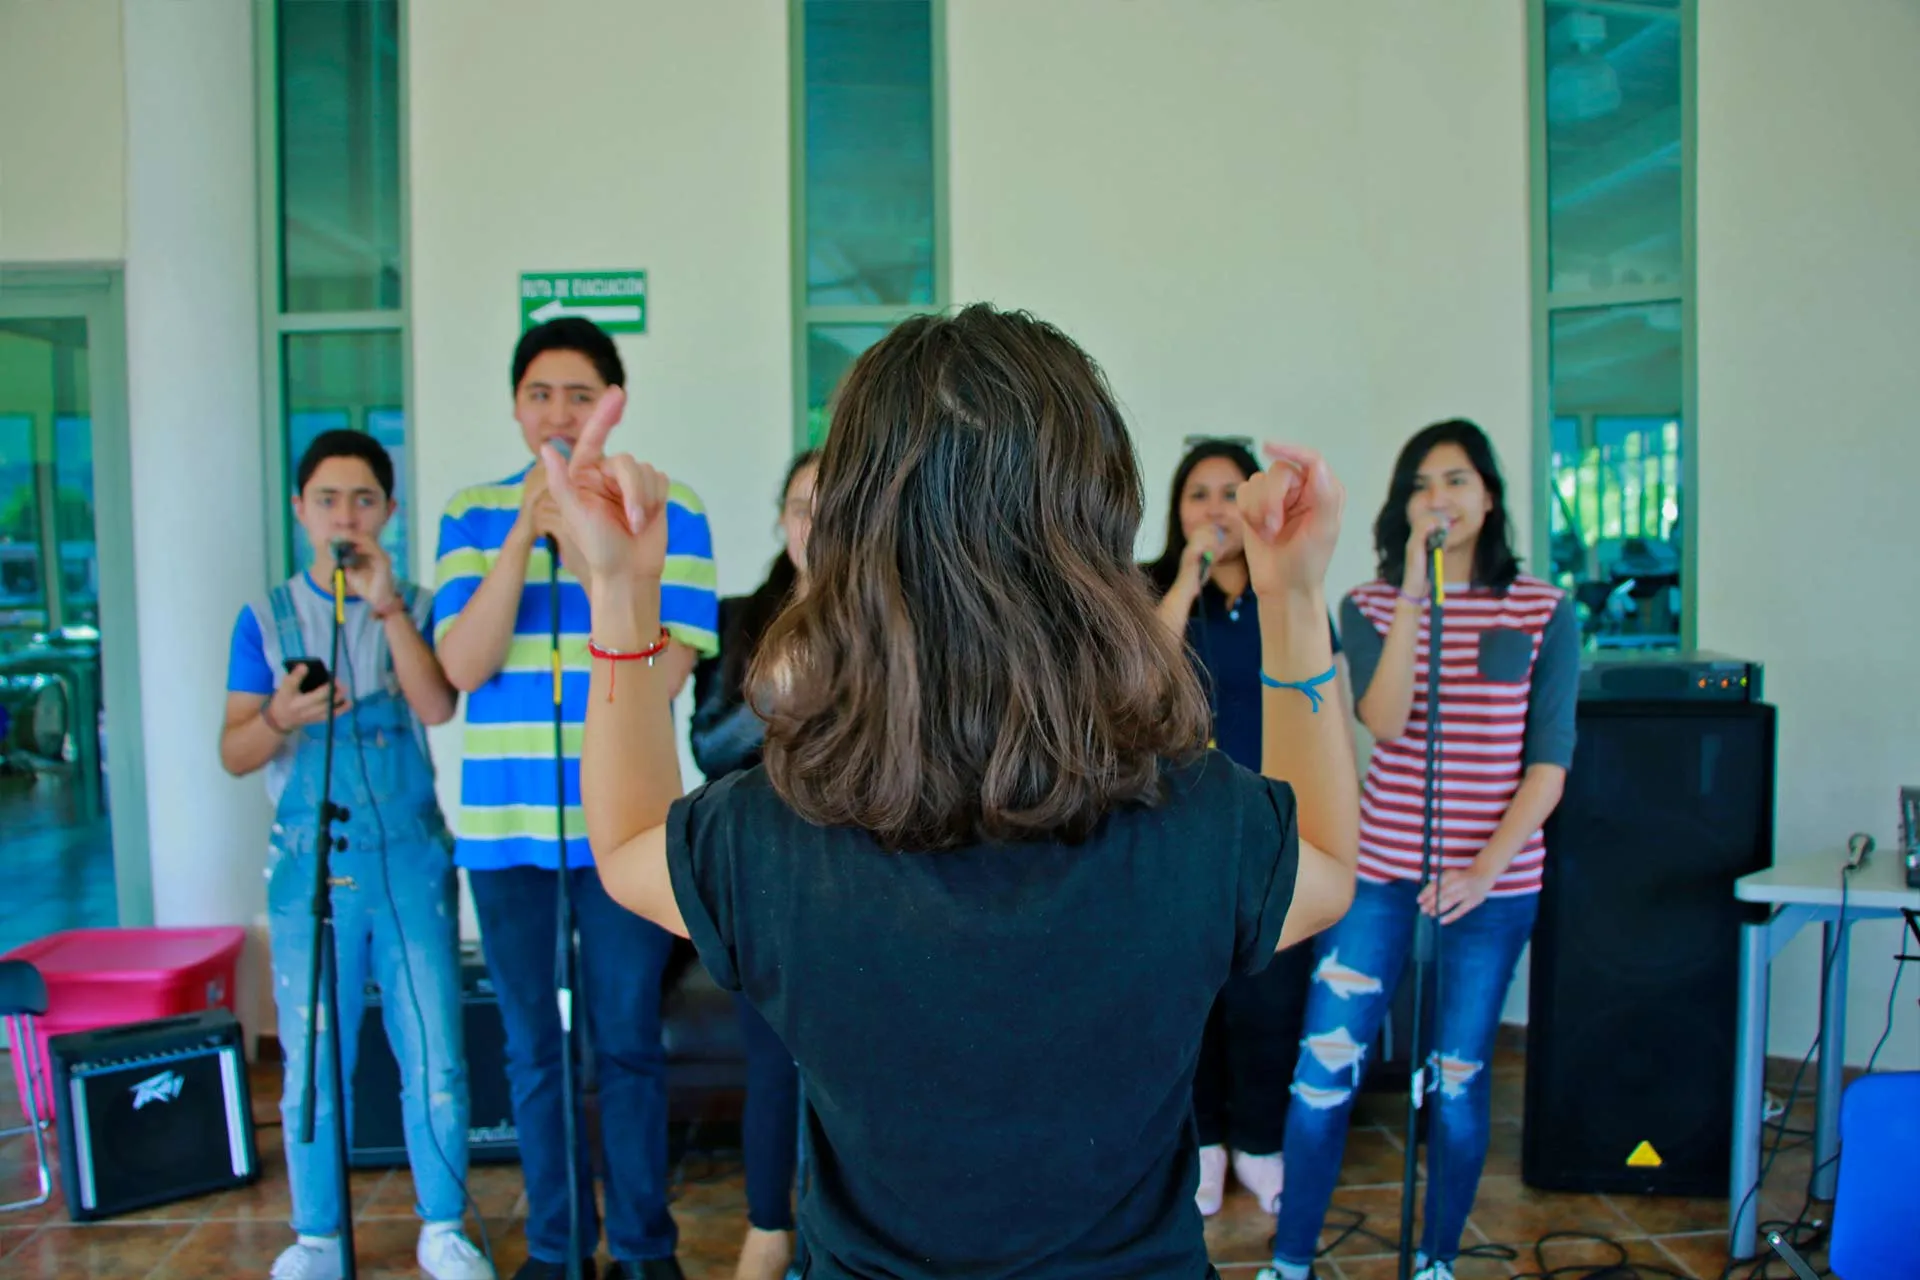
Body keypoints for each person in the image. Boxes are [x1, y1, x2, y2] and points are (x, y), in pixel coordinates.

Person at [548, 303, 1361, 1279]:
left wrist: (620, 586)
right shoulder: (1198, 819)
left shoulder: (770, 832)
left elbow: (628, 837)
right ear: (1096, 523)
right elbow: (1329, 864)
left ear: (847, 532)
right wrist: (1294, 597)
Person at [432, 319, 718, 1280]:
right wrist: (526, 529)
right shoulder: (472, 515)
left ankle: (644, 1250)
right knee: (532, 1053)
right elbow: (464, 665)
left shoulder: (668, 511)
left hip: (625, 836)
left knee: (629, 1045)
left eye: (580, 394)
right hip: (507, 836)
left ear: (613, 403)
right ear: (515, 406)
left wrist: (606, 559)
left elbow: (666, 676)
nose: (559, 413)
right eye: (540, 394)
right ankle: (555, 1252)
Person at [1262, 419, 1579, 1280]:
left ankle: (1436, 1260)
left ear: (1489, 496)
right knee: (1325, 1063)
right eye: (1420, 484)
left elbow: (1549, 763)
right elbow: (1385, 720)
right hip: (1380, 876)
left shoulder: (1545, 609)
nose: (1438, 497)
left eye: (1457, 479)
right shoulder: (1366, 607)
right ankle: (1289, 1262)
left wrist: (1482, 870)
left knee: (1460, 1078)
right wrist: (1412, 589)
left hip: (1495, 884)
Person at [219, 430, 492, 1280]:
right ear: (301, 510)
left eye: (365, 500)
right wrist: (278, 721)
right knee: (312, 1053)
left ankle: (442, 1226)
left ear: (390, 512)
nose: (347, 515)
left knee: (435, 1050)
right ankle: (319, 1235)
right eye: (330, 499)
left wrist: (385, 608)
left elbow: (437, 705)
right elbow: (232, 750)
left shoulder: (412, 598)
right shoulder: (263, 617)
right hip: (308, 858)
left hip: (409, 857)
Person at [1144, 440, 1352, 1219]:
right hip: (1174, 828)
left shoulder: (1288, 597)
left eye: (1232, 492)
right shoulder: (1149, 592)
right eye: (1199, 494)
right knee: (1194, 1001)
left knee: (1269, 996)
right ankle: (1203, 1144)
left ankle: (1260, 1142)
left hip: (1270, 822)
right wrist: (1188, 577)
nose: (1216, 508)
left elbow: (1324, 707)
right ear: (1178, 511)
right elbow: (1142, 680)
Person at [686, 449, 819, 1280]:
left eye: (839, 505)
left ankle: (846, 1235)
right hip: (764, 871)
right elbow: (709, 748)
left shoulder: (898, 616)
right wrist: (780, 696)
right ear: (780, 518)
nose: (819, 522)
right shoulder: (739, 620)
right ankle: (768, 1224)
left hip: (874, 871)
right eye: (804, 505)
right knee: (774, 1059)